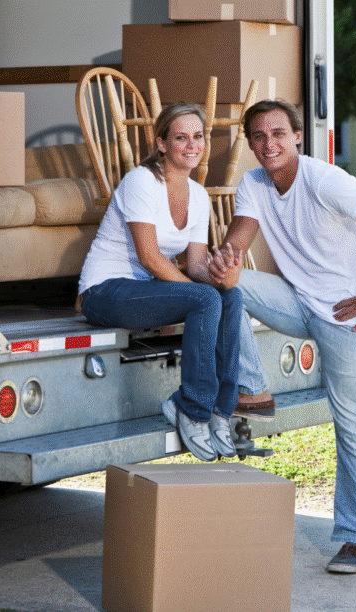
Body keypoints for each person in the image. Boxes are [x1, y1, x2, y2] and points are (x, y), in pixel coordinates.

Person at [208, 99, 356, 574]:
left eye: (278, 133)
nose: (268, 144)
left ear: (297, 136)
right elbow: (241, 235)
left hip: (346, 316)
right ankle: (253, 390)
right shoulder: (255, 182)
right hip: (299, 302)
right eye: (258, 136)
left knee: (351, 423)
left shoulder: (323, 179)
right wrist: (225, 259)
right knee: (222, 287)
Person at [78, 102, 242, 463]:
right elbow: (151, 257)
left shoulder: (198, 196)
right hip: (104, 291)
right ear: (162, 143)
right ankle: (191, 409)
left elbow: (196, 265)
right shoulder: (142, 180)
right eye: (181, 137)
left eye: (198, 137)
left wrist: (219, 275)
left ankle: (220, 410)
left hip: (144, 291)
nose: (192, 145)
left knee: (230, 295)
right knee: (206, 300)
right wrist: (200, 293)